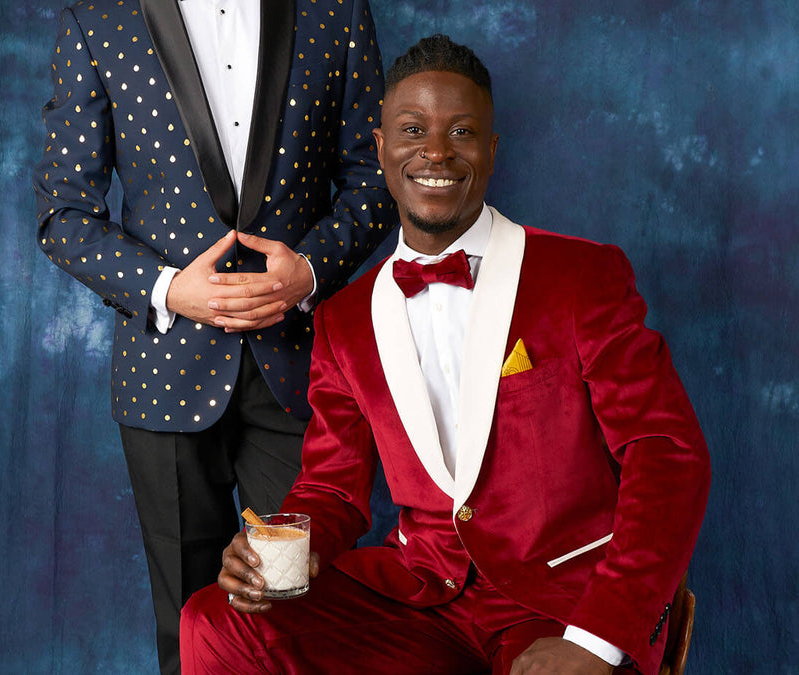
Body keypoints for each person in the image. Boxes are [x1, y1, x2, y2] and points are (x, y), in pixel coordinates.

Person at [180, 35, 710, 675]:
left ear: (491, 152)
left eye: (461, 131)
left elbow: (667, 456)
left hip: (566, 604)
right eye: (412, 129)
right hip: (422, 599)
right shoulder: (345, 320)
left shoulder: (582, 276)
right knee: (213, 620)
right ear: (380, 149)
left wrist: (596, 639)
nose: (435, 151)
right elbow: (333, 492)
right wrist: (274, 551)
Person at [32, 0, 396, 672]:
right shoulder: (98, 18)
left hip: (300, 371)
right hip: (162, 378)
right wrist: (170, 287)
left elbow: (376, 180)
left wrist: (309, 271)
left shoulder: (335, 10)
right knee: (189, 629)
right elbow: (63, 213)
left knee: (295, 615)